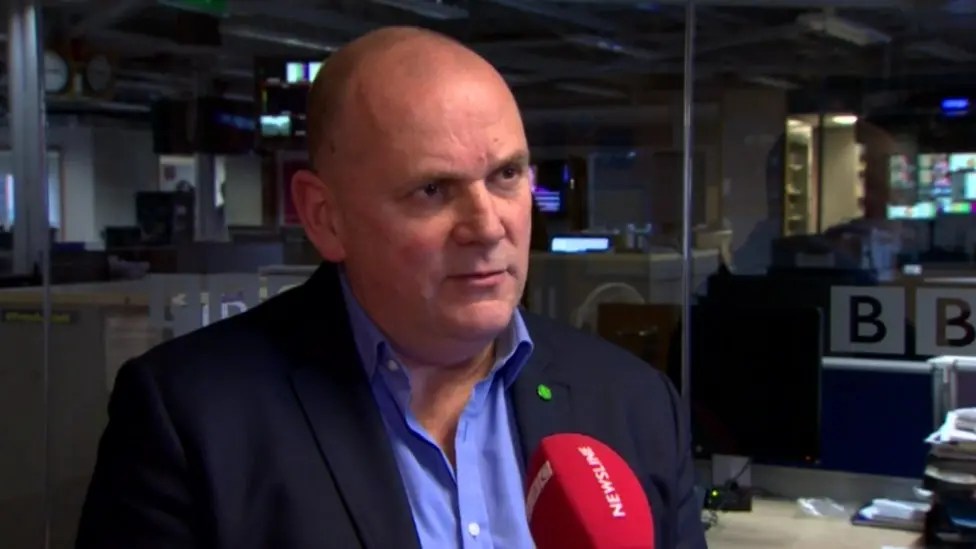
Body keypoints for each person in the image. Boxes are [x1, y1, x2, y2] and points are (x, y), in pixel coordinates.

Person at [76, 27, 706, 549]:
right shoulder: (190, 419)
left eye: (506, 175)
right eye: (432, 190)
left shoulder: (634, 404)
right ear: (325, 217)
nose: (488, 226)